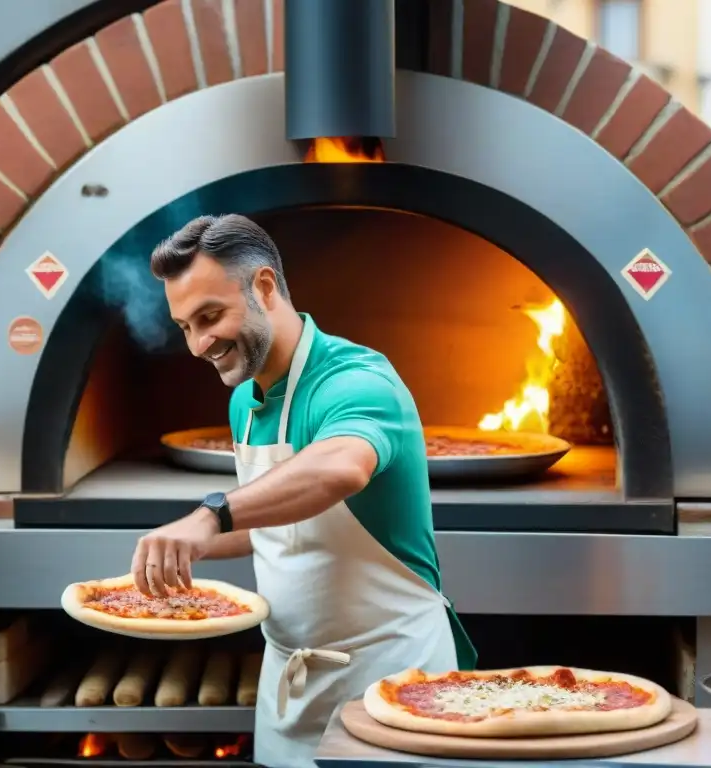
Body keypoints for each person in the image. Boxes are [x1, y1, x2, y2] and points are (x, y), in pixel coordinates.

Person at [131, 214, 476, 768]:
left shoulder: (359, 380)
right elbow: (278, 524)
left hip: (393, 680)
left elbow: (340, 468)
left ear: (265, 288)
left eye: (210, 317)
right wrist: (175, 547)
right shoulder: (245, 399)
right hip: (288, 690)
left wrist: (210, 514)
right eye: (184, 327)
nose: (197, 345)